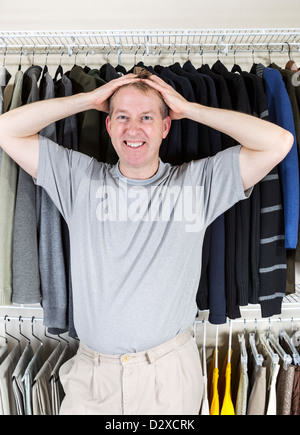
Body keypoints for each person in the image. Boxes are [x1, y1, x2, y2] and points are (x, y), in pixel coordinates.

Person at [0, 68, 293, 415]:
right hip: (93, 380)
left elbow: (279, 142)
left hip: (167, 377)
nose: (133, 128)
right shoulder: (78, 179)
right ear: (108, 126)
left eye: (147, 117)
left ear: (166, 126)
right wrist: (89, 100)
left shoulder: (197, 185)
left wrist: (189, 108)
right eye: (121, 117)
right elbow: (6, 130)